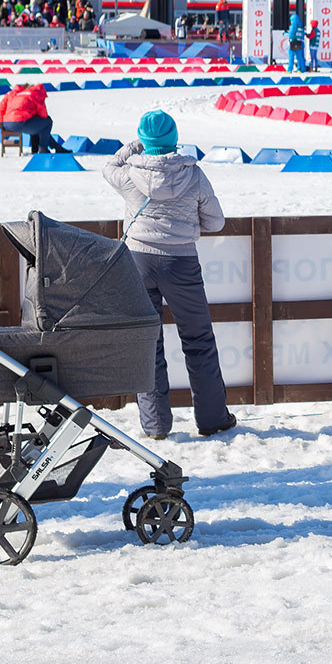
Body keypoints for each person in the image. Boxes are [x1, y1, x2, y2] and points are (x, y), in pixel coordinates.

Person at [102, 110, 236, 440]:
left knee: (148, 343)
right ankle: (212, 418)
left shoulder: (130, 174)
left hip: (137, 262)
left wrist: (134, 147)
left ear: (144, 141)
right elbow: (216, 222)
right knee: (199, 340)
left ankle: (155, 426)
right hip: (182, 263)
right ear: (175, 138)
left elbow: (107, 167)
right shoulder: (194, 174)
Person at [0, 82, 55, 153]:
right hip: (19, 123)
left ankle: (39, 148)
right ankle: (43, 148)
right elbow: (43, 114)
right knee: (46, 122)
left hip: (6, 123)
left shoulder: (13, 94)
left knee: (35, 124)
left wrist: (0, 123)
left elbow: (0, 108)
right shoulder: (34, 94)